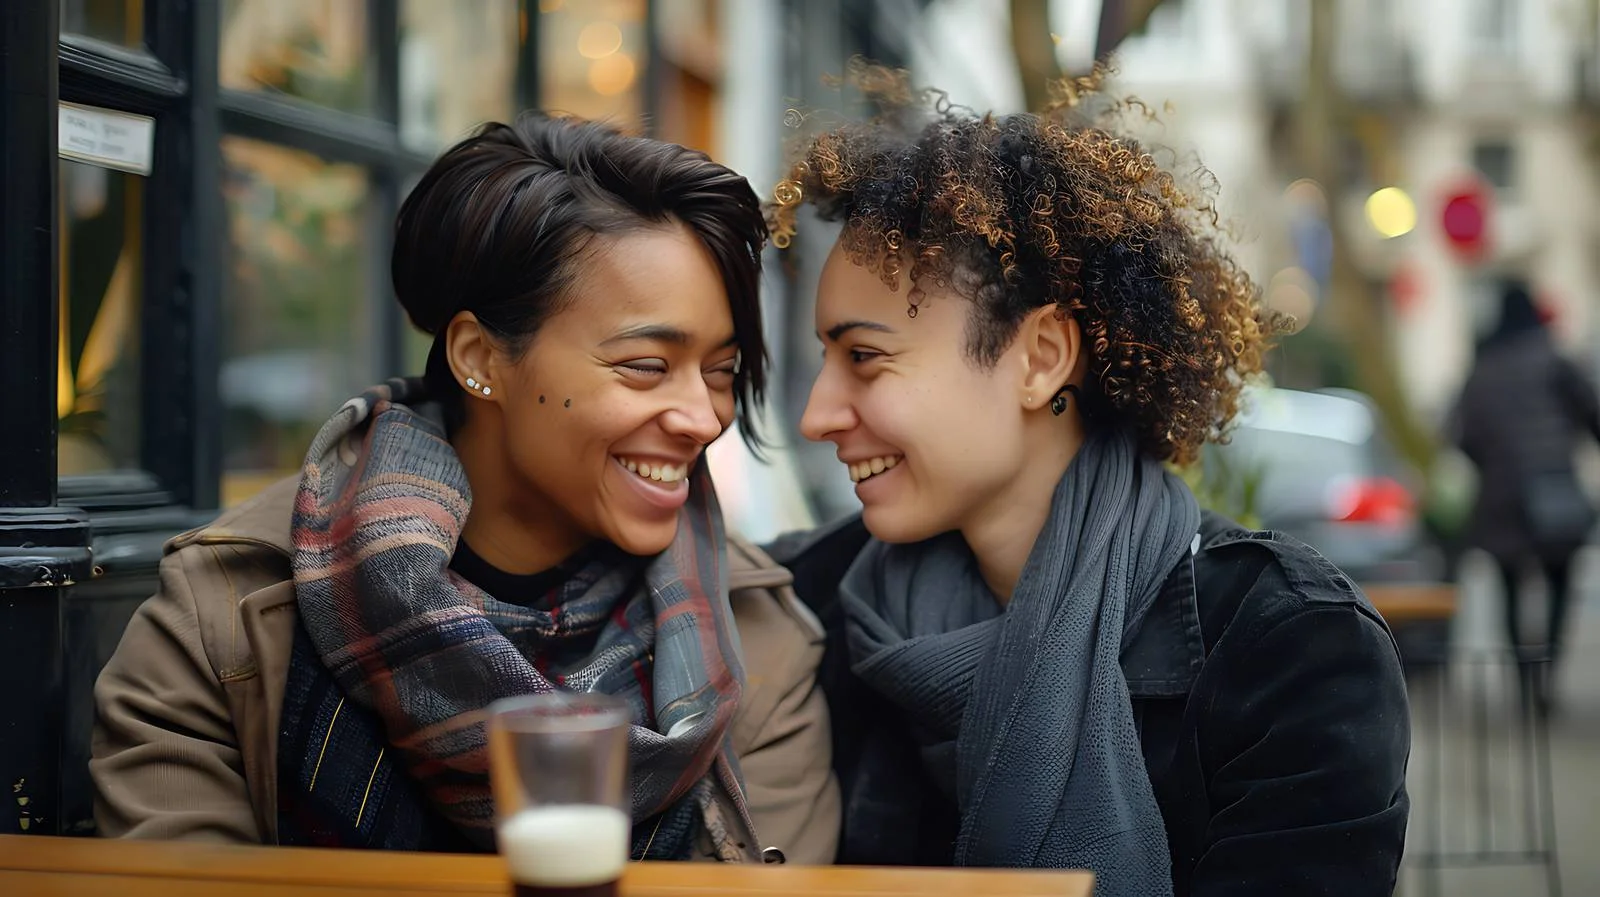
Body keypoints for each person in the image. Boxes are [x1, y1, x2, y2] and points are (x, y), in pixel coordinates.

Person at [91, 114, 839, 864]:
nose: (703, 417)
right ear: (481, 357)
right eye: (645, 365)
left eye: (719, 372)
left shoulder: (759, 639)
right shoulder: (230, 618)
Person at [762, 66, 1410, 896]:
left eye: (865, 358)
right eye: (825, 359)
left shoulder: (1288, 648)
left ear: (1039, 359)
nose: (817, 414)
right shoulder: (809, 607)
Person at [1453, 279, 1600, 710]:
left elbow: (1463, 437)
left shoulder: (1482, 371)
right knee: (1559, 582)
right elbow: (1592, 414)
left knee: (1510, 588)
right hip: (1554, 490)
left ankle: (1523, 682)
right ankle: (1547, 670)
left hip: (1501, 498)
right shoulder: (1554, 359)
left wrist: (1492, 464)